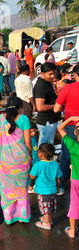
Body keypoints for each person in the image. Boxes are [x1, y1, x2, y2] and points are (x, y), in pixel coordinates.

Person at [0, 95, 32, 225]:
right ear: (20, 108)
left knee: (7, 189)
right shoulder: (24, 119)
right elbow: (27, 142)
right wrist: (30, 157)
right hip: (21, 160)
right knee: (21, 189)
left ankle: (9, 216)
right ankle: (22, 216)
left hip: (4, 161)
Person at [54, 65, 79, 196]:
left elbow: (56, 109)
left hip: (71, 126)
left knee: (67, 156)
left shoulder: (68, 88)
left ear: (75, 75)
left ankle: (62, 186)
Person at [29, 143, 62, 231]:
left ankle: (46, 224)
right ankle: (49, 220)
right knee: (50, 206)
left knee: (45, 208)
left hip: (43, 192)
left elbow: (32, 176)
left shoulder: (38, 165)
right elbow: (58, 178)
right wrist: (58, 188)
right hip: (53, 190)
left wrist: (31, 185)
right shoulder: (55, 164)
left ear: (40, 153)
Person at [57, 116, 79, 238]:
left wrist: (70, 118)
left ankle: (72, 231)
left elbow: (60, 128)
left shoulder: (73, 145)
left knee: (75, 203)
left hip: (76, 180)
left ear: (75, 133)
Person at [33, 62, 60, 145]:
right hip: (46, 121)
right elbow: (40, 107)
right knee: (45, 146)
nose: (53, 76)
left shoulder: (47, 83)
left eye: (53, 73)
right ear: (42, 74)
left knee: (49, 143)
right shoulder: (41, 86)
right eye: (50, 74)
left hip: (51, 120)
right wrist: (55, 106)